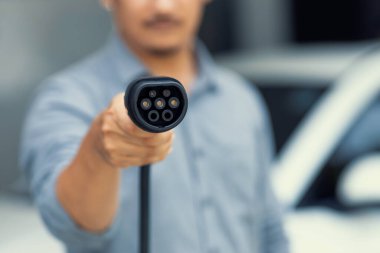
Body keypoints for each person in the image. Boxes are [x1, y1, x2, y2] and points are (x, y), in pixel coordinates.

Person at [20, 0, 288, 252]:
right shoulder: (65, 97)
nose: (163, 7)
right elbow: (71, 226)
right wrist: (99, 152)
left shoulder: (241, 98)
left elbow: (267, 225)